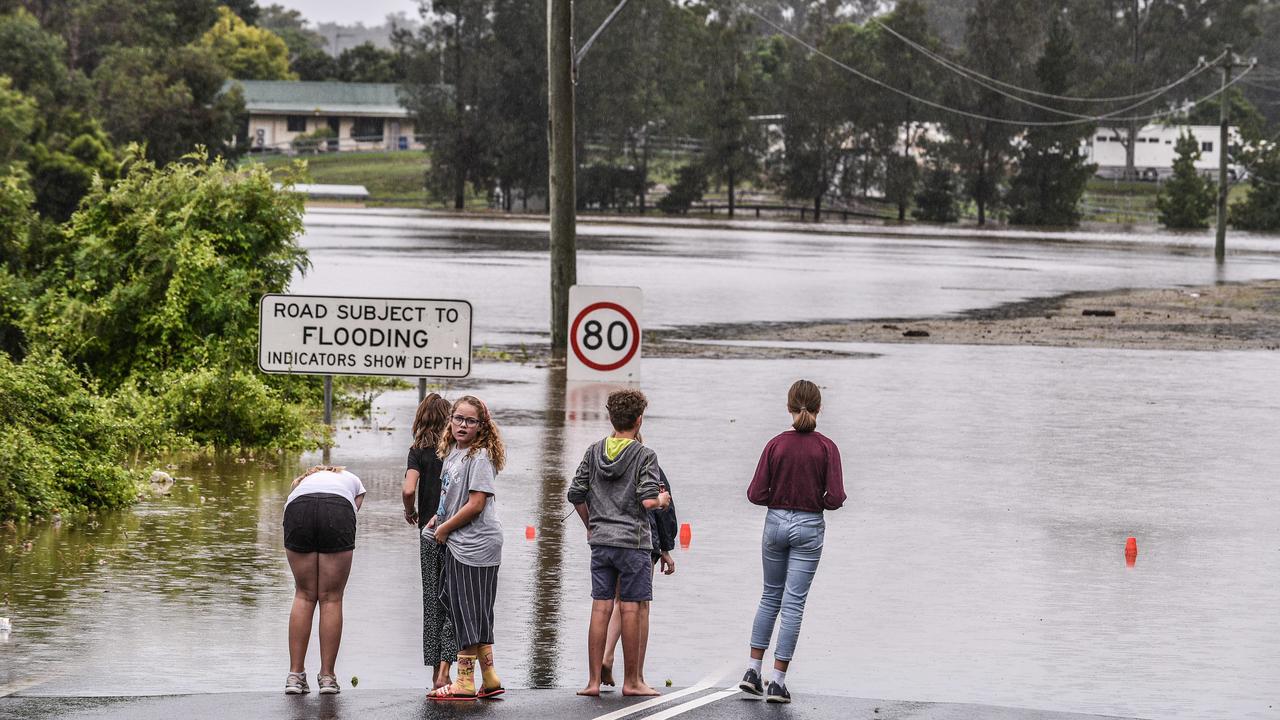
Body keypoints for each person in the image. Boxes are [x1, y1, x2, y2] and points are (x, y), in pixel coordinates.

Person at [739, 379, 846, 704]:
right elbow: (836, 496)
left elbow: (755, 494)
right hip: (809, 524)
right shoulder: (826, 447)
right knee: (793, 603)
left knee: (769, 595)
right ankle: (778, 681)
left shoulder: (775, 445)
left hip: (775, 523)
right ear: (819, 408)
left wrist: (779, 498)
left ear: (788, 406)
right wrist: (816, 501)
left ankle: (752, 671)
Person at [568, 388, 671, 697]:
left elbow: (575, 494)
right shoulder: (644, 454)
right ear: (639, 420)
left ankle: (592, 683)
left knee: (600, 608)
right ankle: (632, 682)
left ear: (610, 418)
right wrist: (663, 500)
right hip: (634, 543)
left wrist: (591, 525)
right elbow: (647, 499)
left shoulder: (594, 450)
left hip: (601, 543)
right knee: (630, 608)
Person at [427, 395, 506, 701]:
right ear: (450, 420)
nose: (462, 425)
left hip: (475, 545)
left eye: (470, 421)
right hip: (459, 543)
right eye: (458, 418)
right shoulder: (453, 455)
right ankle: (489, 677)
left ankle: (464, 682)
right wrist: (438, 518)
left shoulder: (480, 457)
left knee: (467, 613)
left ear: (481, 426)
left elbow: (475, 504)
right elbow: (453, 499)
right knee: (469, 609)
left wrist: (446, 529)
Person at [283, 464, 367, 696]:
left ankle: (295, 675)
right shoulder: (349, 477)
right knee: (331, 598)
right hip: (338, 508)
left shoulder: (300, 486)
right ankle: (328, 678)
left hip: (297, 510)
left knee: (303, 594)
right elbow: (354, 507)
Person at [600, 465, 677, 689]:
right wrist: (665, 548)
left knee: (620, 601)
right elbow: (663, 510)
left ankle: (607, 655)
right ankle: (637, 678)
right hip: (642, 539)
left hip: (609, 538)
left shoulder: (605, 462)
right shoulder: (647, 462)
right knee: (640, 606)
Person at [402, 392, 458, 690]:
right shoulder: (455, 449)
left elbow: (409, 489)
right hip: (457, 531)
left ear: (420, 418)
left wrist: (409, 512)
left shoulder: (417, 450)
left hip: (427, 532)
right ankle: (449, 668)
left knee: (432, 600)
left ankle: (436, 671)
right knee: (455, 598)